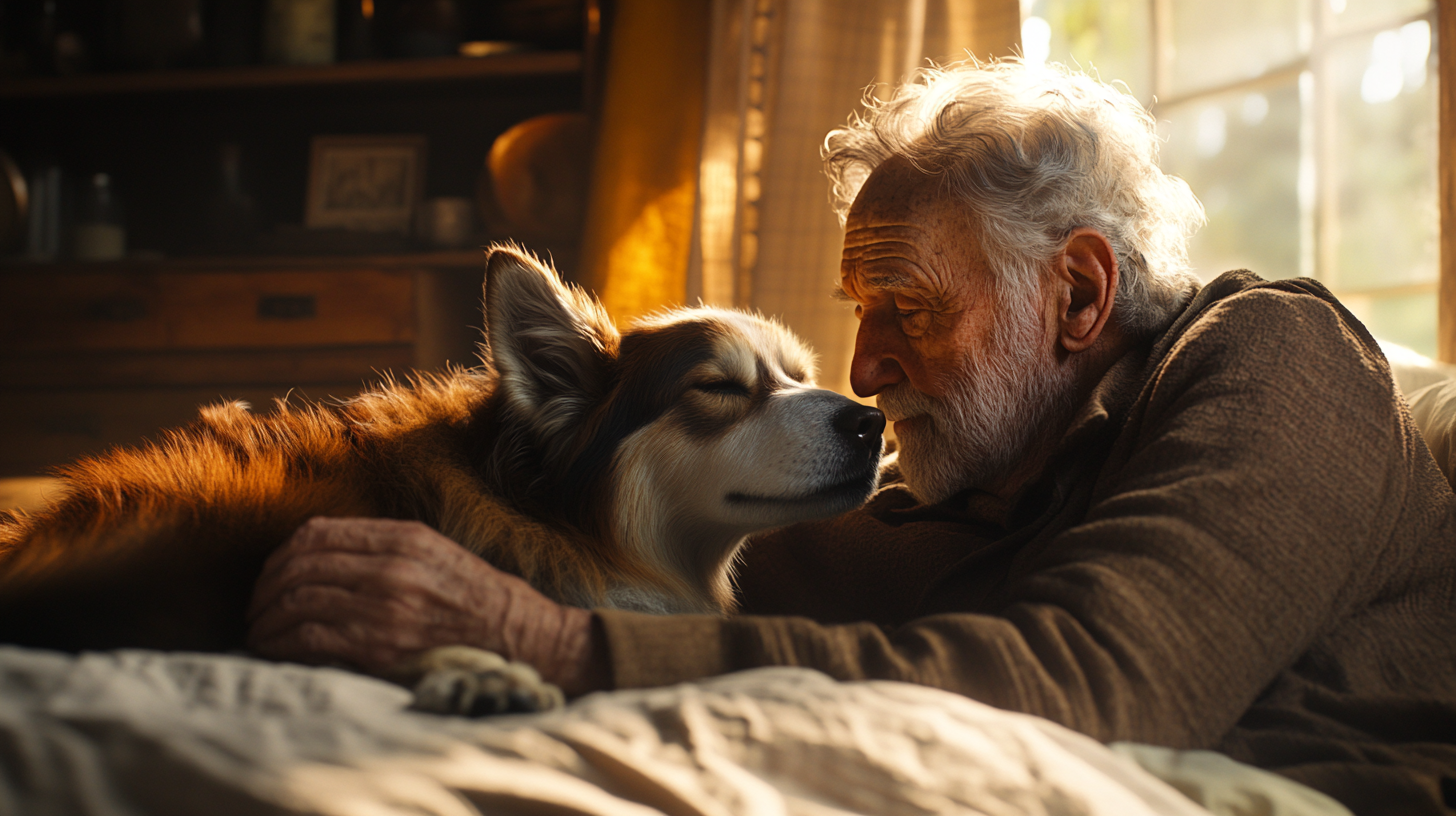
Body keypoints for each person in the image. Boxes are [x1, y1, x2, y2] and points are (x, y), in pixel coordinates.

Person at [245, 60, 1456, 815]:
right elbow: (643, 536)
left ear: (1080, 298)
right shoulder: (976, 473)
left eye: (909, 313)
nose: (864, 370)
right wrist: (337, 482)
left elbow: (1097, 684)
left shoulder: (1281, 362)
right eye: (861, 314)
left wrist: (540, 638)